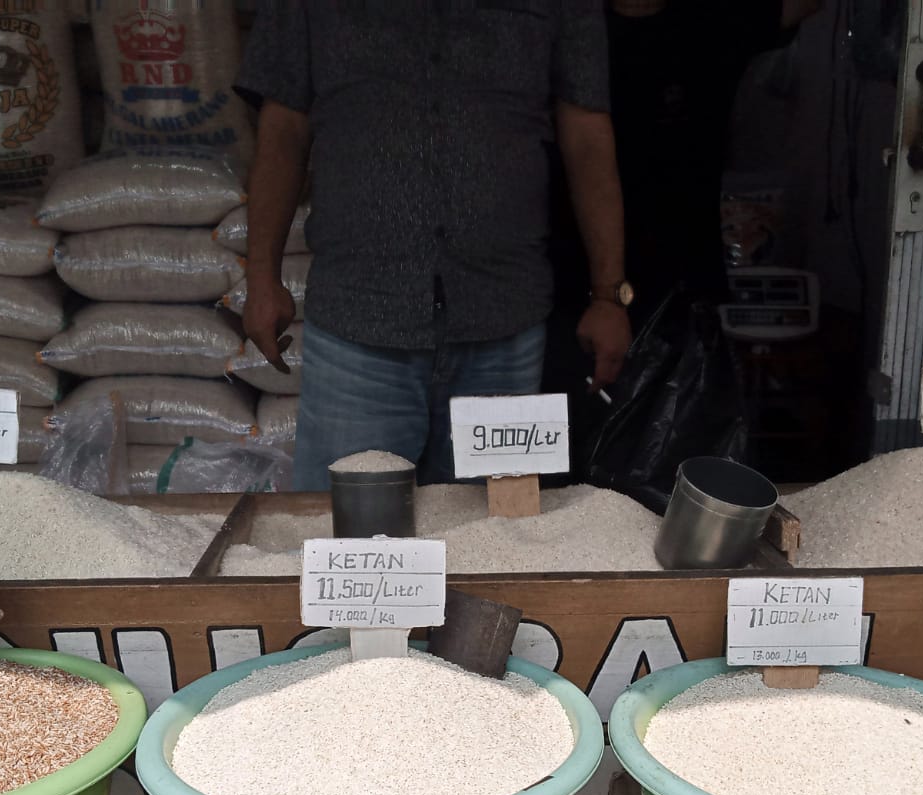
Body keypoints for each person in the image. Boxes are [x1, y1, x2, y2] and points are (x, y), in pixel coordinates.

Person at [236, 3, 634, 491]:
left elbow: (588, 133)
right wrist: (261, 277)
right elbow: (282, 130)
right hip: (360, 319)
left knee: (495, 540)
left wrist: (609, 294)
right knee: (350, 545)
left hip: (506, 319)